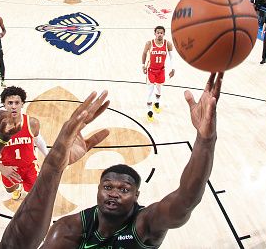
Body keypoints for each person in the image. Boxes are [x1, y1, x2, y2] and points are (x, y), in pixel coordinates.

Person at [41, 73, 224, 248]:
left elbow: (186, 200)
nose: (114, 193)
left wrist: (205, 140)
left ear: (137, 196)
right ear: (97, 190)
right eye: (107, 187)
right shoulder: (68, 229)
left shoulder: (146, 224)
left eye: (124, 189)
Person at [0, 90, 111, 249]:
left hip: (27, 166)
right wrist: (53, 167)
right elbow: (19, 242)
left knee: (28, 191)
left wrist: (2, 137)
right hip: (10, 168)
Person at [0, 86, 48, 200]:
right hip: (8, 168)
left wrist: (48, 155)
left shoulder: (32, 123)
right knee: (10, 189)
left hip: (30, 167)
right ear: (4, 104)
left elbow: (37, 139)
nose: (13, 106)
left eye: (17, 103)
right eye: (10, 103)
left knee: (36, 197)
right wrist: (1, 168)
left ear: (22, 104)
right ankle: (17, 189)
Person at [141, 26, 175, 122]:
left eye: (161, 33)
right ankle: (149, 111)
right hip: (150, 70)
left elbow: (172, 57)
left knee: (159, 89)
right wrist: (143, 65)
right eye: (158, 32)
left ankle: (157, 103)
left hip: (161, 70)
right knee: (150, 90)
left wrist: (173, 68)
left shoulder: (168, 44)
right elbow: (144, 54)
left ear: (164, 34)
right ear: (155, 33)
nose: (159, 34)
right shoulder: (149, 43)